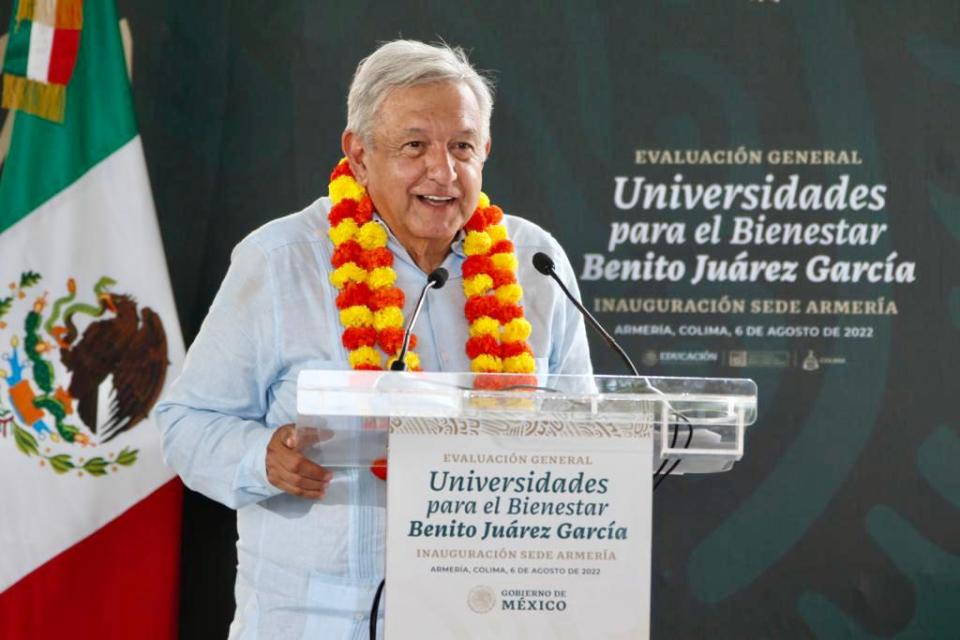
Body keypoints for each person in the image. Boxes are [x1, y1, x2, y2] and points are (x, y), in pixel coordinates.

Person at [156, 39, 591, 639]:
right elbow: (185, 424)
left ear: (485, 150)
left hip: (490, 612)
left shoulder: (533, 264)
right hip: (321, 620)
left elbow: (585, 432)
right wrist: (264, 458)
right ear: (359, 156)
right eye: (415, 146)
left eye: (462, 146)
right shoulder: (280, 262)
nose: (443, 170)